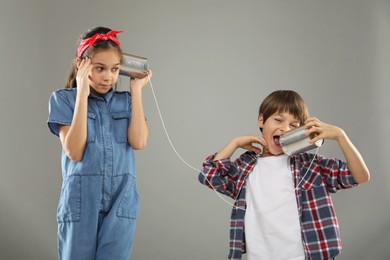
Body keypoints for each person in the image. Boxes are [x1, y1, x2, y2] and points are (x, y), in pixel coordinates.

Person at [198, 90, 370, 260]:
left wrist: (341, 136)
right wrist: (234, 143)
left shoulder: (310, 165)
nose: (285, 128)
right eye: (278, 120)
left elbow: (360, 176)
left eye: (294, 126)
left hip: (305, 255)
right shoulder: (246, 166)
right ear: (261, 120)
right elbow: (209, 176)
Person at [47, 26, 152, 260]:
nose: (108, 77)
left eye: (115, 70)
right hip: (82, 199)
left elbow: (139, 141)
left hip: (121, 198)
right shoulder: (63, 99)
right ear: (81, 65)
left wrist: (136, 91)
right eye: (100, 68)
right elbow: (74, 151)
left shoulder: (126, 101)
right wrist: (82, 91)